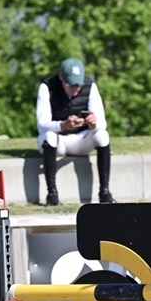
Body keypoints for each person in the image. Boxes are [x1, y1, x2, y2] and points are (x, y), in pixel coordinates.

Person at [35, 57, 115, 206]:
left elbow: (102, 123)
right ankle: (52, 194)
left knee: (102, 135)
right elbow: (41, 125)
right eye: (71, 85)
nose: (76, 89)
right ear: (61, 78)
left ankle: (105, 192)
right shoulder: (47, 87)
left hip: (80, 140)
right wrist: (63, 125)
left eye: (78, 85)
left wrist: (93, 123)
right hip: (58, 141)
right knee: (49, 136)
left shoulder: (90, 86)